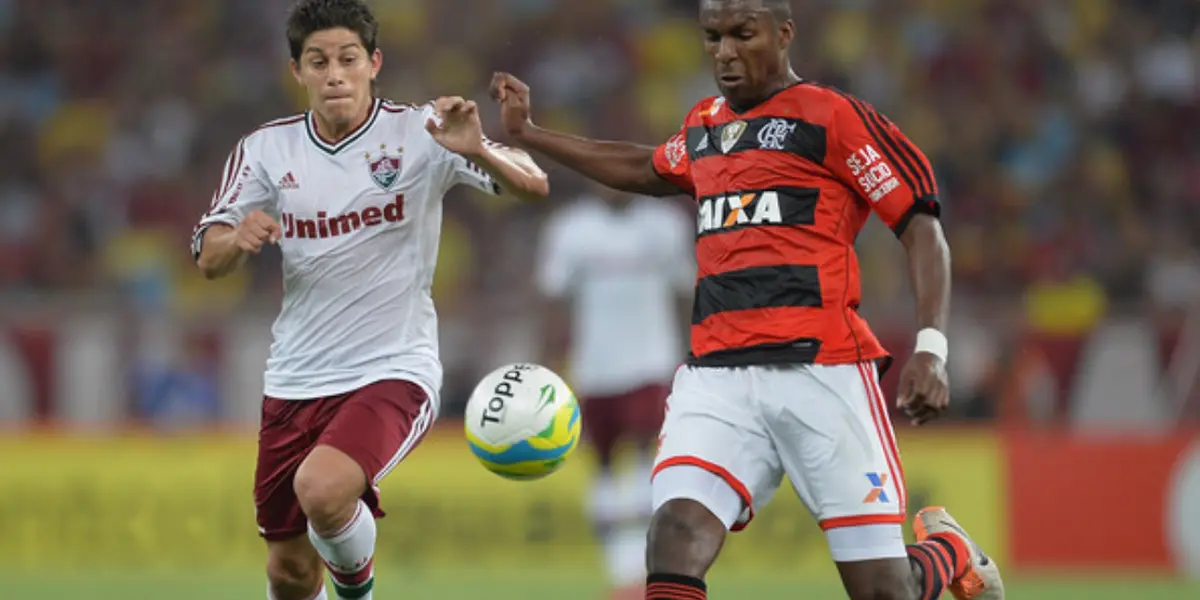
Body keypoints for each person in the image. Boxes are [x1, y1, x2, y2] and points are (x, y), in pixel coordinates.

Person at [488, 0, 1002, 598]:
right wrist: (529, 134)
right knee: (674, 534)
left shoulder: (832, 118)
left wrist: (932, 348)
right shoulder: (704, 126)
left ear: (783, 34)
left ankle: (949, 554)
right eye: (713, 37)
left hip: (823, 370)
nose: (725, 52)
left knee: (884, 591)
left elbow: (920, 225)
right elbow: (643, 168)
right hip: (718, 377)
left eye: (742, 34)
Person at [191, 1, 548, 599]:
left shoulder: (421, 132)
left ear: (373, 63)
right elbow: (207, 255)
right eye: (319, 61)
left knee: (324, 490)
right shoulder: (266, 150)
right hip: (295, 377)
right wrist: (239, 238)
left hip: (392, 368)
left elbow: (534, 184)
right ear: (297, 70)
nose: (335, 74)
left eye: (348, 59)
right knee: (289, 571)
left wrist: (477, 147)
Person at [535, 186, 693, 599]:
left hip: (651, 360)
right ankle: (618, 570)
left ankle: (639, 572)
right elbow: (553, 298)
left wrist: (694, 355)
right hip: (595, 366)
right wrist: (551, 363)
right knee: (602, 461)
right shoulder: (572, 228)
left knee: (645, 453)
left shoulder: (665, 224)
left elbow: (684, 291)